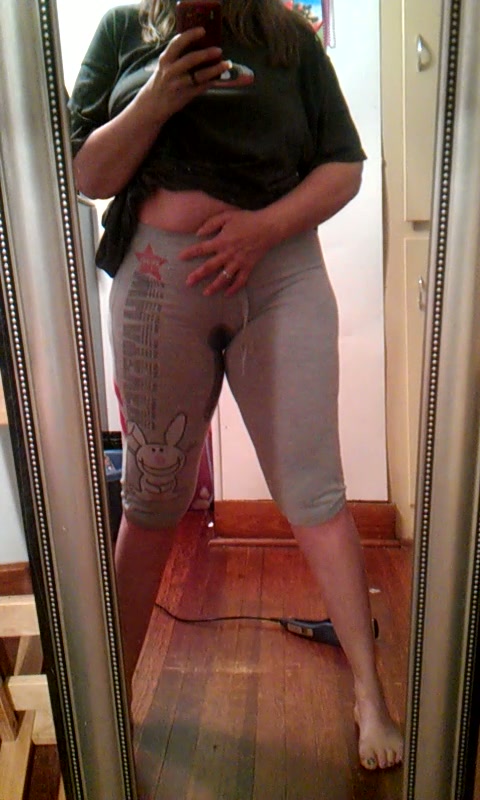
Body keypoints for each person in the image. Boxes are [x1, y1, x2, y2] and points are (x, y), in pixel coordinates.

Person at [69, 0, 403, 772]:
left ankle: (370, 696)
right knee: (151, 496)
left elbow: (344, 166)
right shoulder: (124, 31)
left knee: (316, 491)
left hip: (279, 273)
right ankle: (110, 697)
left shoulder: (288, 36)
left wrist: (264, 228)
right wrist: (156, 98)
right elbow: (87, 174)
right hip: (160, 278)